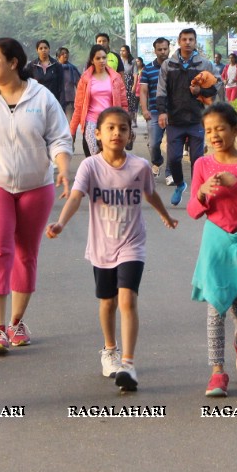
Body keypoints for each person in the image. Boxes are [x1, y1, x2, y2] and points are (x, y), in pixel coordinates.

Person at [46, 107, 177, 392]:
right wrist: (60, 223)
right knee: (107, 303)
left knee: (127, 300)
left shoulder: (140, 166)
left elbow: (150, 194)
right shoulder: (90, 167)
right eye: (110, 128)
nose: (117, 133)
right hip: (101, 245)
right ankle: (110, 350)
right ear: (98, 134)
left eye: (123, 128)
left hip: (132, 243)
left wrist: (165, 215)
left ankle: (128, 364)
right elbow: (77, 197)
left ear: (130, 135)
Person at [0, 38, 73, 356]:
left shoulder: (41, 97)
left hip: (36, 184)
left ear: (13, 62)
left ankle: (17, 321)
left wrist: (62, 168)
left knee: (26, 253)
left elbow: (59, 137)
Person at [188, 103, 237, 398]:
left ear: (235, 130)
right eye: (209, 130)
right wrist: (201, 193)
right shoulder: (202, 166)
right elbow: (194, 211)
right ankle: (217, 373)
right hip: (214, 244)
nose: (215, 135)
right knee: (215, 310)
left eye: (220, 128)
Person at [156, 27, 218, 206]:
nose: (188, 42)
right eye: (184, 39)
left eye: (191, 39)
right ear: (179, 41)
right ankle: (180, 184)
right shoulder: (169, 65)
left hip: (196, 118)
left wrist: (201, 90)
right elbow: (161, 90)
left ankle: (196, 193)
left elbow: (217, 84)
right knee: (174, 158)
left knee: (197, 160)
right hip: (174, 119)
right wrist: (162, 111)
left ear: (195, 41)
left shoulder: (204, 65)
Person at [70, 44, 129, 158]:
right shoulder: (85, 79)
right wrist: (72, 131)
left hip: (111, 121)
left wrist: (127, 124)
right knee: (96, 156)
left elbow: (123, 103)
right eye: (98, 58)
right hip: (91, 122)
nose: (102, 61)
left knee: (111, 155)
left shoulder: (115, 78)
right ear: (92, 60)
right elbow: (79, 107)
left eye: (104, 57)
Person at [140, 37, 170, 179]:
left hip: (173, 112)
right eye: (160, 49)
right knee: (154, 144)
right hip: (154, 112)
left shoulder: (175, 67)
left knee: (173, 143)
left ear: (169, 49)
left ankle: (170, 172)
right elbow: (143, 91)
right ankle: (157, 162)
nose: (163, 52)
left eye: (165, 49)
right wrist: (144, 110)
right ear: (155, 51)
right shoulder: (148, 69)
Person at [27, 39, 64, 104]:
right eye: (40, 48)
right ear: (37, 50)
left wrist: (61, 105)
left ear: (49, 49)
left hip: (53, 101)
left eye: (45, 48)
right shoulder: (32, 66)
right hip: (37, 101)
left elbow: (61, 87)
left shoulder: (56, 65)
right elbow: (27, 85)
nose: (43, 50)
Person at [57, 47, 81, 118]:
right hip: (57, 100)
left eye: (66, 53)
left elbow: (79, 85)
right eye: (62, 54)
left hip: (70, 100)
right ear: (58, 56)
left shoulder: (72, 69)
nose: (65, 55)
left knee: (69, 124)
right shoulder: (54, 69)